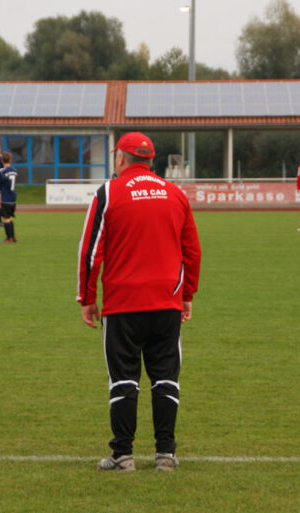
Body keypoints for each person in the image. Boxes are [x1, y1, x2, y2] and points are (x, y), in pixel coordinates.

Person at [76, 132, 202, 472]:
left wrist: (87, 298)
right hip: (166, 302)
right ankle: (166, 454)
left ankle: (122, 455)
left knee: (123, 379)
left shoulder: (108, 192)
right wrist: (187, 294)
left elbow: (90, 253)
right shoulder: (175, 193)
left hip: (123, 304)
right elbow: (192, 251)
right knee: (165, 378)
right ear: (150, 160)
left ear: (120, 159)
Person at [0, 152, 18, 243]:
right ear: (10, 160)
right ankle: (13, 237)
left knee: (6, 218)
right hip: (13, 197)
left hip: (5, 197)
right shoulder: (14, 170)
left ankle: (8, 238)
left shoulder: (2, 171)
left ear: (2, 161)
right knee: (9, 217)